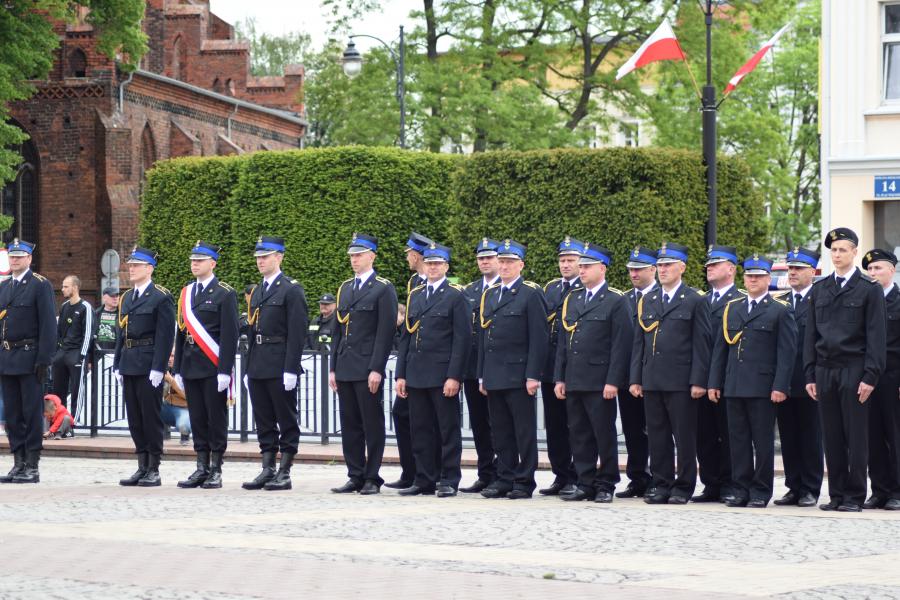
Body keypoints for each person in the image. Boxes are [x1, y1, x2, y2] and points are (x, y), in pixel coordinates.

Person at [804, 227, 886, 512]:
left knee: (856, 436)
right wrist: (810, 374)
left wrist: (870, 376)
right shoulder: (820, 288)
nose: (837, 255)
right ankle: (836, 494)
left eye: (842, 250)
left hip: (854, 369)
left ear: (854, 252)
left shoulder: (869, 289)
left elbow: (876, 337)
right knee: (833, 436)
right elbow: (811, 336)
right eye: (833, 250)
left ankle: (854, 496)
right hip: (825, 370)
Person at [708, 255, 797, 508]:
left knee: (762, 442)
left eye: (758, 276)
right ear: (743, 278)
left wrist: (780, 386)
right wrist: (715, 382)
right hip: (734, 385)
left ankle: (760, 490)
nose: (753, 280)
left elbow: (786, 353)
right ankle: (740, 488)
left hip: (762, 388)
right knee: (737, 441)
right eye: (749, 276)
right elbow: (721, 350)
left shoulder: (780, 310)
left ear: (768, 279)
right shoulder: (732, 308)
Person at [630, 242, 711, 505]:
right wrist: (636, 378)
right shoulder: (648, 299)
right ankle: (661, 483)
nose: (662, 270)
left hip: (680, 381)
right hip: (653, 378)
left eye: (667, 265)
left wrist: (699, 380)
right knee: (657, 435)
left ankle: (683, 486)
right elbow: (639, 342)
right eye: (660, 265)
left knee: (684, 436)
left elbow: (702, 344)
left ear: (682, 268)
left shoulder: (695, 299)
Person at [554, 243, 632, 502]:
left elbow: (621, 345)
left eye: (587, 266)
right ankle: (585, 481)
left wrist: (613, 381)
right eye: (581, 266)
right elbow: (564, 342)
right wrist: (560, 377)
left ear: (602, 268)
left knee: (604, 433)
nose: (581, 270)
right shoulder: (573, 298)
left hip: (600, 381)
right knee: (579, 433)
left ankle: (606, 483)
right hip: (575, 378)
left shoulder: (615, 300)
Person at [395, 242, 470, 497]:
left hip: (441, 374)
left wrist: (454, 376)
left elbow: (462, 339)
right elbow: (407, 336)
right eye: (429, 263)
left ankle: (448, 478)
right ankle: (423, 478)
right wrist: (401, 374)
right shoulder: (415, 294)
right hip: (416, 373)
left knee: (447, 429)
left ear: (446, 266)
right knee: (420, 428)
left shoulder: (455, 295)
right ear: (424, 266)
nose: (433, 267)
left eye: (438, 263)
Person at [478, 239, 548, 499]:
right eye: (502, 261)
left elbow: (538, 338)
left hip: (518, 374)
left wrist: (533, 375)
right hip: (495, 373)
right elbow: (484, 338)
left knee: (523, 430)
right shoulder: (491, 293)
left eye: (510, 262)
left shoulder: (530, 293)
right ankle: (504, 477)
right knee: (501, 430)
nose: (504, 266)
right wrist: (482, 374)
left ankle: (524, 480)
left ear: (521, 264)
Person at [330, 233, 398, 495]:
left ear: (372, 256)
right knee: (350, 424)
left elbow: (384, 333)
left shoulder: (383, 288)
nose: (354, 259)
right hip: (346, 366)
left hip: (367, 367)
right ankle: (355, 473)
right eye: (352, 256)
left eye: (359, 255)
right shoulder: (346, 288)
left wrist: (376, 368)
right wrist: (333, 367)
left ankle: (372, 476)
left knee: (371, 423)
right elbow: (338, 330)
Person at [242, 236, 308, 492]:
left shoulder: (291, 289)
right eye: (258, 257)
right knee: (264, 419)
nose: (260, 261)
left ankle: (285, 470)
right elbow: (251, 329)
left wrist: (291, 368)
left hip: (280, 362)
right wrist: (247, 367)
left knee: (285, 417)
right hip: (259, 362)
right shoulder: (258, 290)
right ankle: (267, 467)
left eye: (265, 256)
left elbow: (297, 332)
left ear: (279, 257)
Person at [173, 241, 239, 489]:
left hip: (212, 367)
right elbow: (181, 333)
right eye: (192, 260)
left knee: (215, 418)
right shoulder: (186, 293)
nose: (194, 264)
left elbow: (230, 336)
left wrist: (225, 370)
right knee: (198, 418)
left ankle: (216, 468)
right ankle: (201, 466)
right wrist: (178, 367)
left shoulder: (224, 293)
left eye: (200, 260)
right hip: (191, 365)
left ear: (212, 263)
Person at [114, 246, 176, 487]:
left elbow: (164, 334)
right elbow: (121, 332)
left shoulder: (161, 296)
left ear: (149, 268)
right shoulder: (127, 297)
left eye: (136, 265)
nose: (131, 268)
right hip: (130, 361)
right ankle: (141, 464)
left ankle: (154, 467)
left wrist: (159, 367)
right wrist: (118, 363)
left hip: (149, 363)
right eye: (130, 264)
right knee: (135, 418)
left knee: (150, 417)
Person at [0, 239, 57, 484]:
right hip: (7, 357)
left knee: (31, 413)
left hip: (30, 357)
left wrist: (44, 359)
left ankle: (32, 463)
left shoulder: (39, 285)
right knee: (12, 414)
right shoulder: (4, 288)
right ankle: (18, 460)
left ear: (29, 259)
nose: (15, 260)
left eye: (20, 256)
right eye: (12, 256)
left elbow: (48, 324)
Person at [773, 247, 823, 508]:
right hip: (784, 380)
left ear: (812, 272)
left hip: (809, 379)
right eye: (790, 268)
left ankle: (810, 487)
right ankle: (793, 486)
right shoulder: (780, 301)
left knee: (810, 435)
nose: (792, 273)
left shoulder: (820, 299)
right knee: (789, 436)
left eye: (798, 269)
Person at [694, 245, 743, 503]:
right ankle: (711, 483)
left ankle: (730, 483)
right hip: (702, 379)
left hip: (729, 379)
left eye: (716, 263)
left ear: (731, 269)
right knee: (705, 435)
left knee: (730, 434)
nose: (709, 267)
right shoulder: (701, 300)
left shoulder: (740, 299)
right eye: (708, 264)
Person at [387, 232, 435, 489]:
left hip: (432, 365)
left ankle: (427, 472)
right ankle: (411, 471)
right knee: (403, 415)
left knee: (428, 421)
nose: (406, 257)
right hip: (413, 363)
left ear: (416, 255)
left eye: (408, 253)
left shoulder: (435, 281)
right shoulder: (414, 282)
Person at [539, 237, 582, 496]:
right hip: (550, 366)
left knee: (575, 425)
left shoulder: (582, 289)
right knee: (554, 425)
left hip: (573, 367)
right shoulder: (552, 289)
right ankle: (560, 474)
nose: (565, 265)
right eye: (562, 260)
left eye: (571, 260)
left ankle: (577, 475)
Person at [459, 238, 501, 493]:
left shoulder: (508, 288)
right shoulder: (470, 291)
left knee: (499, 423)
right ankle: (485, 472)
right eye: (480, 258)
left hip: (497, 367)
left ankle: (503, 471)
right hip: (473, 367)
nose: (484, 262)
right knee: (479, 422)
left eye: (489, 257)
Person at [861, 249, 900, 510]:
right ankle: (879, 490)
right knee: (871, 436)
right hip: (868, 378)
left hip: (893, 377)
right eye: (870, 270)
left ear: (892, 271)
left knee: (895, 436)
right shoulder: (865, 300)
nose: (874, 274)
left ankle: (897, 490)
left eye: (879, 268)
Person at [617, 246, 657, 499]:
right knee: (632, 429)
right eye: (631, 269)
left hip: (653, 374)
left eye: (639, 269)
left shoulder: (661, 296)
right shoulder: (624, 299)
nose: (634, 273)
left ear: (653, 269)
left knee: (655, 429)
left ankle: (657, 477)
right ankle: (637, 477)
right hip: (627, 375)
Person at [51, 275, 93, 420]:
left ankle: (73, 421)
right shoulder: (64, 306)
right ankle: (58, 420)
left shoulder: (85, 307)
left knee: (76, 390)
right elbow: (59, 331)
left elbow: (88, 333)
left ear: (75, 288)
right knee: (58, 389)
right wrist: (56, 352)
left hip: (76, 353)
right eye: (63, 286)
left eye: (66, 286)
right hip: (62, 352)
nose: (62, 289)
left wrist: (82, 356)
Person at [162, 365, 191, 446]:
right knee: (152, 409)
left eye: (173, 356)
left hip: (184, 407)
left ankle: (185, 435)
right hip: (169, 404)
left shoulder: (187, 372)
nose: (170, 359)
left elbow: (188, 396)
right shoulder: (167, 371)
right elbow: (164, 393)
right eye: (170, 356)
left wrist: (172, 381)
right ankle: (164, 434)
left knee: (183, 424)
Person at [93, 286, 119, 354]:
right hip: (98, 353)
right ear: (104, 298)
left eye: (117, 295)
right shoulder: (96, 314)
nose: (115, 298)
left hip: (117, 354)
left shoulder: (122, 314)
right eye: (112, 296)